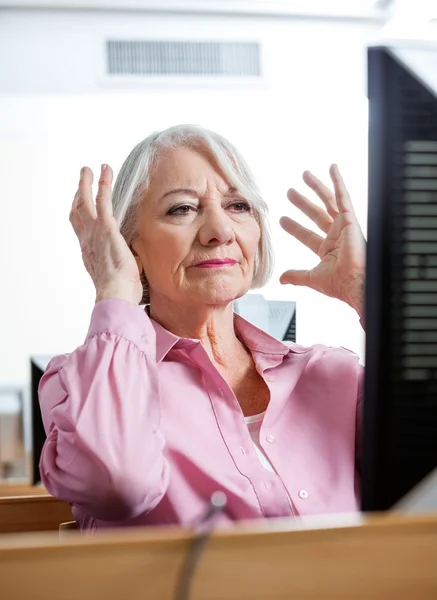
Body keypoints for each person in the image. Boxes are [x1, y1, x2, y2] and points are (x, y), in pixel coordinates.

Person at [39, 125, 365, 531]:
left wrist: (365, 289)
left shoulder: (334, 375)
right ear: (128, 244)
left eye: (238, 205)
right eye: (182, 208)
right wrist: (114, 289)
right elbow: (117, 485)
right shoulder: (77, 383)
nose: (220, 231)